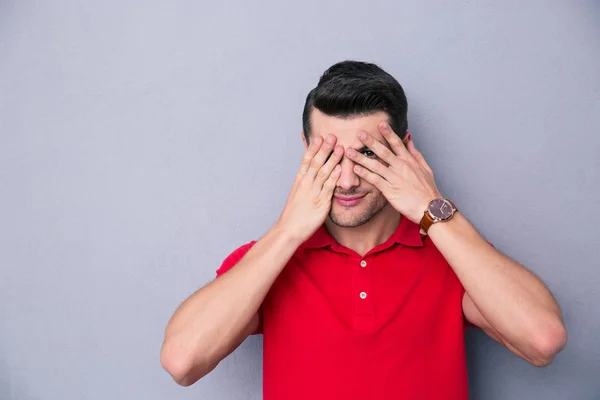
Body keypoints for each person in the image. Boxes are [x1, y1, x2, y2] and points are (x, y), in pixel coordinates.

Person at [160, 60, 567, 399]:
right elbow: (182, 362)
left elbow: (542, 341)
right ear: (306, 151)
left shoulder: (450, 246)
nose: (349, 180)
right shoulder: (271, 255)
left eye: (368, 154)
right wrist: (288, 231)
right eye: (332, 156)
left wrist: (432, 209)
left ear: (405, 150)